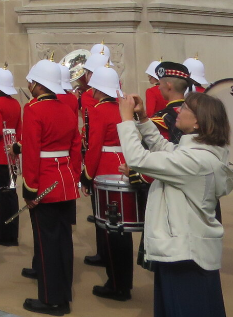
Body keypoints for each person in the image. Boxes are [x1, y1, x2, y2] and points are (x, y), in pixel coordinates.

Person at [117, 91, 233, 317]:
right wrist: (143, 120)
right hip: (183, 249)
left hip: (185, 253)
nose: (178, 111)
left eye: (185, 109)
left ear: (198, 122)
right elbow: (164, 148)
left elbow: (138, 159)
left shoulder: (197, 159)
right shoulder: (200, 152)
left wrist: (125, 120)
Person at [20, 60, 82, 316]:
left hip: (44, 180)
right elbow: (76, 147)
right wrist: (74, 177)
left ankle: (50, 299)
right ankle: (63, 292)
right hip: (65, 180)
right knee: (63, 240)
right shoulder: (67, 108)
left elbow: (32, 151)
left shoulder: (33, 109)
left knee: (46, 243)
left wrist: (30, 188)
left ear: (37, 84)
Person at [83, 65, 133, 301]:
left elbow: (94, 146)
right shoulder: (121, 108)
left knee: (111, 230)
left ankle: (115, 283)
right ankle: (124, 281)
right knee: (122, 229)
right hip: (124, 162)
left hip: (104, 166)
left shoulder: (99, 111)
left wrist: (87, 174)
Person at [0, 66, 21, 247]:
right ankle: (12, 233)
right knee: (11, 194)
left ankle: (3, 234)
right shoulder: (15, 104)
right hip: (12, 154)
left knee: (0, 196)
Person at [150, 62, 191, 143]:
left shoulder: (161, 118)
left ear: (169, 85)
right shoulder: (197, 113)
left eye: (160, 83)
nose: (159, 88)